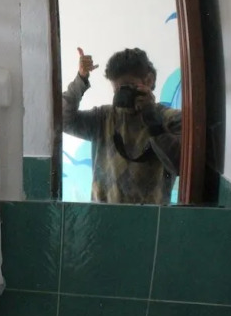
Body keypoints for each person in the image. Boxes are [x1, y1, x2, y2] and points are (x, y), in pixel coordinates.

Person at [62, 47, 182, 204]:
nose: (121, 94)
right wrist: (81, 80)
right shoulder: (103, 118)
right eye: (116, 89)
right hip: (103, 215)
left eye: (127, 86)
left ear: (149, 81)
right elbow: (62, 120)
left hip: (152, 217)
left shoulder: (169, 118)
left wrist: (152, 120)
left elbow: (181, 164)